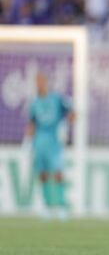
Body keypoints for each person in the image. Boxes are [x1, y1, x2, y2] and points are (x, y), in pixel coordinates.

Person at [24, 72, 74, 220]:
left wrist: (66, 126)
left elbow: (72, 113)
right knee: (42, 174)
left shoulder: (56, 99)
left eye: (41, 81)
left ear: (46, 82)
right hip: (39, 142)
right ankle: (47, 206)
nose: (39, 84)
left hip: (54, 141)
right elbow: (32, 124)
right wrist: (27, 142)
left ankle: (62, 206)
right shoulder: (34, 103)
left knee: (57, 173)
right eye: (36, 82)